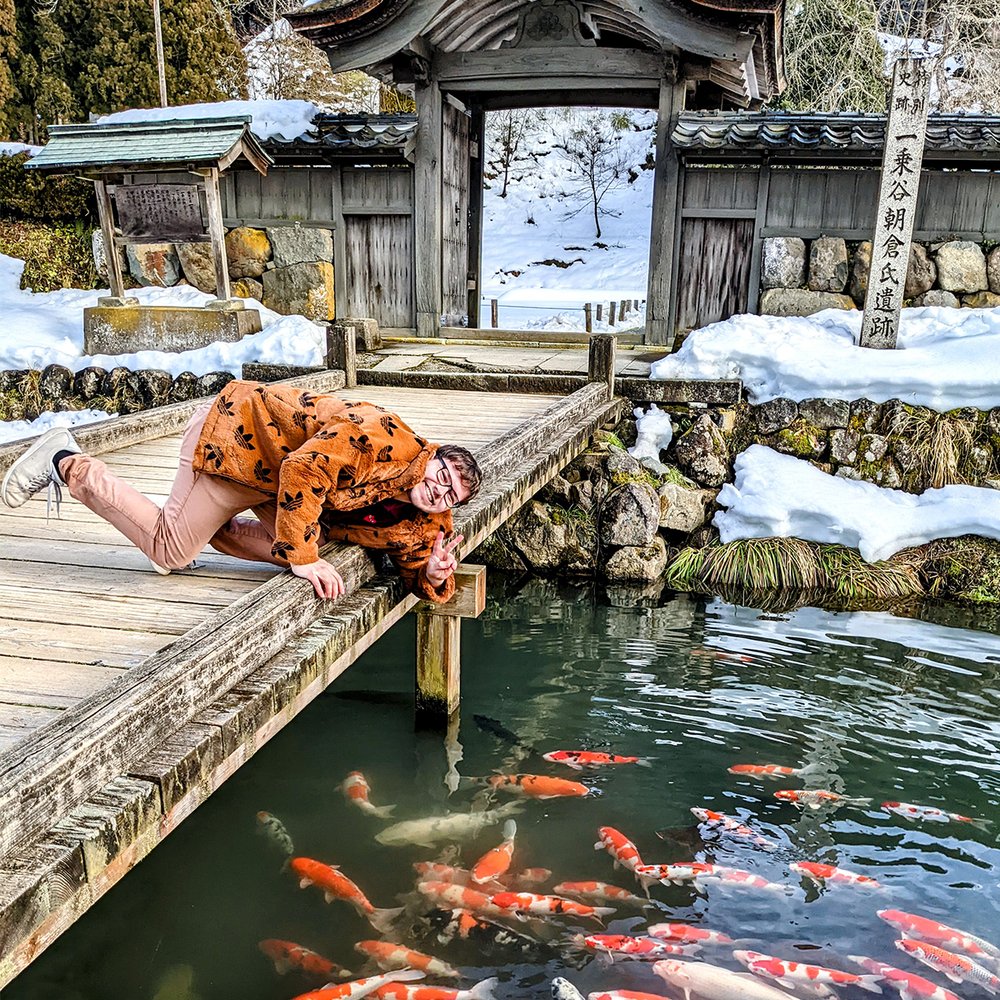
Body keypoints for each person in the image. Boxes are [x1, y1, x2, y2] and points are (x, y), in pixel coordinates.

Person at [0, 379, 483, 604]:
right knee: (170, 550)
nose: (440, 494)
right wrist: (303, 557)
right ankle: (65, 460)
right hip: (234, 443)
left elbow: (420, 558)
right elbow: (304, 470)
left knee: (307, 547)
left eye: (451, 497)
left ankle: (206, 525)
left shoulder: (429, 514)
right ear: (431, 456)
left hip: (274, 485)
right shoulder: (381, 435)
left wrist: (435, 575)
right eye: (441, 478)